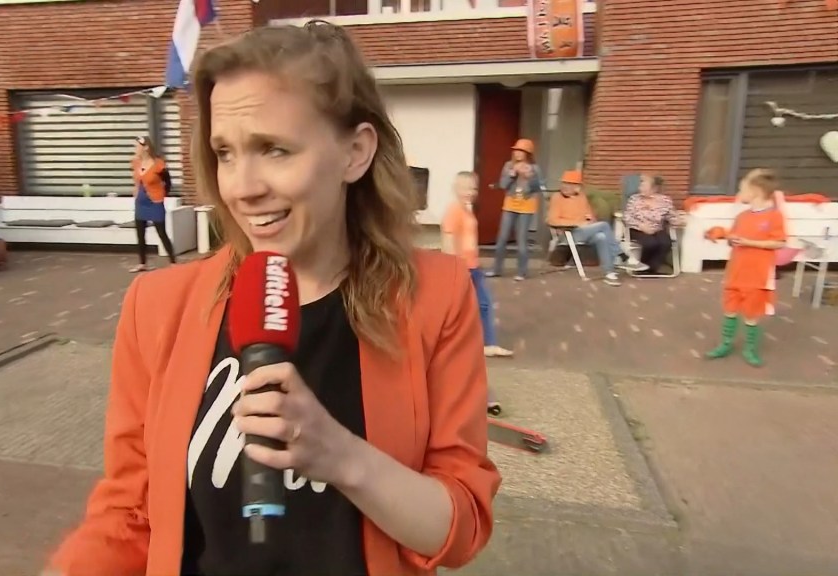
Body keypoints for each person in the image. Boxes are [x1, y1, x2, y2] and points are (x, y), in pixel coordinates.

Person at [44, 20, 500, 576]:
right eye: (225, 153)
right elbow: (130, 515)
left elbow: (460, 527)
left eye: (274, 149)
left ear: (355, 152)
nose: (242, 187)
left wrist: (342, 456)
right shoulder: (158, 306)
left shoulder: (434, 298)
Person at [705, 169, 787, 367]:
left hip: (757, 276)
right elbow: (735, 238)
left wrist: (749, 242)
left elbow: (779, 242)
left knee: (751, 315)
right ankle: (725, 344)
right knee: (730, 310)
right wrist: (723, 235)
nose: (739, 193)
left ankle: (749, 349)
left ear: (756, 191)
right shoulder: (742, 216)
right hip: (735, 272)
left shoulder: (774, 216)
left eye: (742, 189)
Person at [442, 171, 514, 361]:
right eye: (465, 188)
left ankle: (486, 344)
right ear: (456, 188)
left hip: (473, 266)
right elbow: (448, 240)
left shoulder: (467, 210)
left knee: (483, 304)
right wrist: (455, 269)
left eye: (473, 188)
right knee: (461, 308)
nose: (470, 192)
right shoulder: (454, 211)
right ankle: (454, 347)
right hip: (462, 268)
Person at [546, 170, 647, 286]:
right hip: (568, 233)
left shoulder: (581, 197)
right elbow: (552, 220)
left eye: (570, 184)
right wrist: (577, 223)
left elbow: (590, 216)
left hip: (585, 232)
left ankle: (609, 273)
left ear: (577, 187)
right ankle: (623, 256)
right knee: (604, 225)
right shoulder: (557, 198)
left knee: (601, 237)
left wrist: (591, 220)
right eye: (564, 183)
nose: (565, 186)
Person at [486, 138, 544, 281]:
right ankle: (496, 269)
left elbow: (538, 187)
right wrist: (512, 174)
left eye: (521, 151)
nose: (517, 153)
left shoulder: (535, 168)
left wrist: (529, 176)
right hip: (510, 205)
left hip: (527, 206)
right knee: (502, 237)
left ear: (528, 153)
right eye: (516, 150)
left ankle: (522, 272)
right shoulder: (508, 165)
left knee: (521, 239)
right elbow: (503, 185)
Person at [129, 135, 177, 272]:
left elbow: (168, 182)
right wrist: (135, 190)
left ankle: (173, 262)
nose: (135, 149)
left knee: (161, 232)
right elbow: (136, 180)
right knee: (140, 234)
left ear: (146, 148)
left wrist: (163, 194)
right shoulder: (135, 163)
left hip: (155, 203)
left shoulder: (158, 164)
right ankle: (142, 263)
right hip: (141, 203)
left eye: (137, 146)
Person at [622, 174, 684, 274]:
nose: (640, 188)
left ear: (654, 188)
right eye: (640, 185)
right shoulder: (634, 199)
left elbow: (671, 215)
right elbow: (626, 217)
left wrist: (678, 221)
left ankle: (651, 269)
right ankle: (642, 268)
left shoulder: (665, 201)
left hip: (657, 229)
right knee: (650, 243)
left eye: (643, 185)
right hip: (637, 229)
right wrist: (641, 226)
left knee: (665, 243)